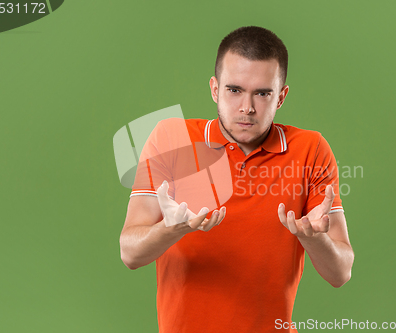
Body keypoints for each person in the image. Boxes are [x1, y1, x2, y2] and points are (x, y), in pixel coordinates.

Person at [120, 26, 354, 333]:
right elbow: (130, 253)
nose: (247, 107)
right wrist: (170, 228)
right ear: (215, 89)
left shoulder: (310, 150)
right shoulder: (172, 139)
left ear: (280, 97)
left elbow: (340, 272)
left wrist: (314, 239)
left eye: (262, 93)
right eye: (234, 90)